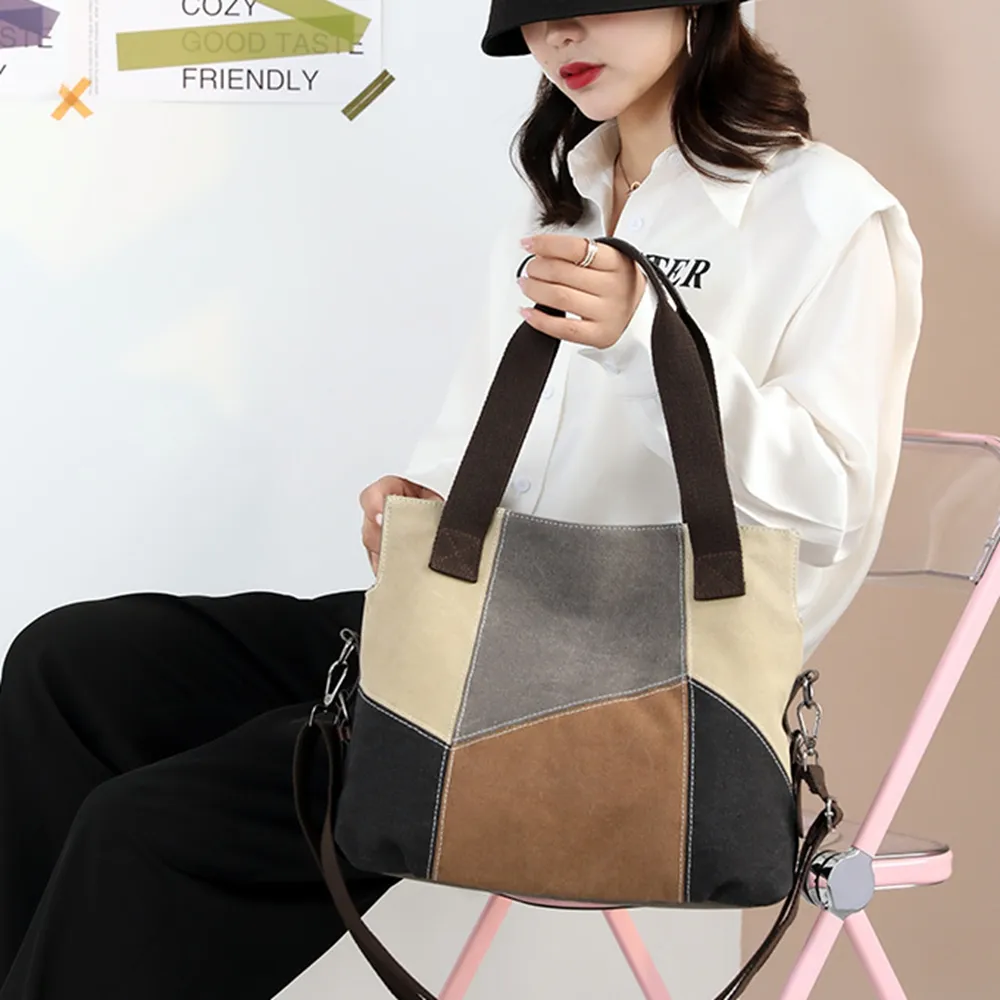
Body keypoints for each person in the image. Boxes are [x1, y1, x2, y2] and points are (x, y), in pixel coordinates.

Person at [0, 3, 922, 998]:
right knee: (69, 666)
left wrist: (645, 339)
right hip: (490, 630)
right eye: (536, 15)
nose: (559, 36)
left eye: (590, 4)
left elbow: (833, 506)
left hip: (655, 691)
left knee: (144, 831)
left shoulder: (823, 213)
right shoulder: (564, 201)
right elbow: (487, 433)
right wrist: (422, 502)